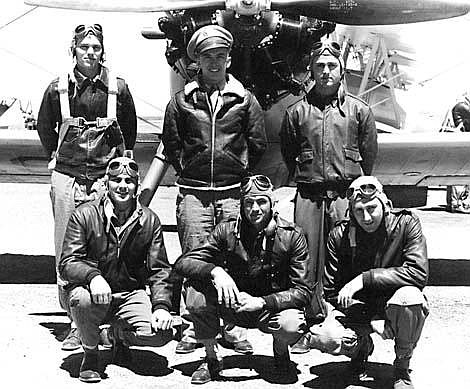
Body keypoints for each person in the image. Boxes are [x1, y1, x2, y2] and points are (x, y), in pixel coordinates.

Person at [140, 24, 267, 355]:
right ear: (196, 60)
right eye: (208, 56)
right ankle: (199, 329)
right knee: (196, 258)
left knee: (235, 260)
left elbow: (258, 144)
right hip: (194, 194)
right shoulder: (181, 102)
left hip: (233, 193)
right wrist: (190, 169)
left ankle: (232, 326)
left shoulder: (245, 100)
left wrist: (236, 169)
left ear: (229, 59)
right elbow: (172, 142)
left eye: (221, 56)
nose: (215, 62)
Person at [36, 23, 137, 350]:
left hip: (102, 179)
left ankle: (103, 318)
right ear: (74, 51)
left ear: (102, 51)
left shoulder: (117, 89)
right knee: (67, 247)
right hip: (67, 176)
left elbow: (129, 132)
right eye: (84, 47)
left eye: (95, 47)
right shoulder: (58, 89)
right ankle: (75, 321)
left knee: (102, 245)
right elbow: (44, 128)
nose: (90, 53)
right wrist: (61, 157)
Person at [279, 40, 378, 352]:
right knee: (304, 259)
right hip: (308, 196)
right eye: (319, 67)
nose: (325, 72)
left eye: (331, 66)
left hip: (343, 197)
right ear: (311, 71)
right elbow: (288, 152)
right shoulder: (296, 113)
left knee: (346, 257)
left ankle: (345, 320)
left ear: (341, 70)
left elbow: (368, 155)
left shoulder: (359, 112)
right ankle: (307, 325)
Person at [173, 175, 311, 384]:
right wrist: (215, 271)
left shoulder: (292, 236)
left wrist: (263, 302)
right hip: (233, 304)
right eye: (249, 202)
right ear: (241, 205)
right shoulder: (226, 229)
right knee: (195, 292)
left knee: (291, 324)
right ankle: (212, 358)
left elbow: (303, 290)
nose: (255, 209)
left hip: (269, 307)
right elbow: (184, 262)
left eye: (261, 202)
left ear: (272, 204)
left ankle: (281, 353)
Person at [304, 176, 428, 389]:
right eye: (359, 211)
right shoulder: (338, 235)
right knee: (324, 336)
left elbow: (417, 273)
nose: (367, 217)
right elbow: (331, 290)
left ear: (385, 205)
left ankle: (401, 366)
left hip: (395, 304)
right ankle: (360, 348)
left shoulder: (407, 223)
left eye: (372, 208)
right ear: (351, 211)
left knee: (411, 298)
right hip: (359, 310)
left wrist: (365, 278)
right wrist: (371, 319)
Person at [58, 156, 174, 383]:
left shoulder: (149, 221)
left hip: (130, 293)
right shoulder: (84, 214)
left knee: (161, 333)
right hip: (94, 293)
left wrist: (161, 306)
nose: (122, 186)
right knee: (80, 299)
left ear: (136, 186)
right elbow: (67, 262)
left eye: (129, 181)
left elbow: (159, 270)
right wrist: (92, 277)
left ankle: (115, 335)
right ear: (106, 184)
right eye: (116, 180)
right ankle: (90, 353)